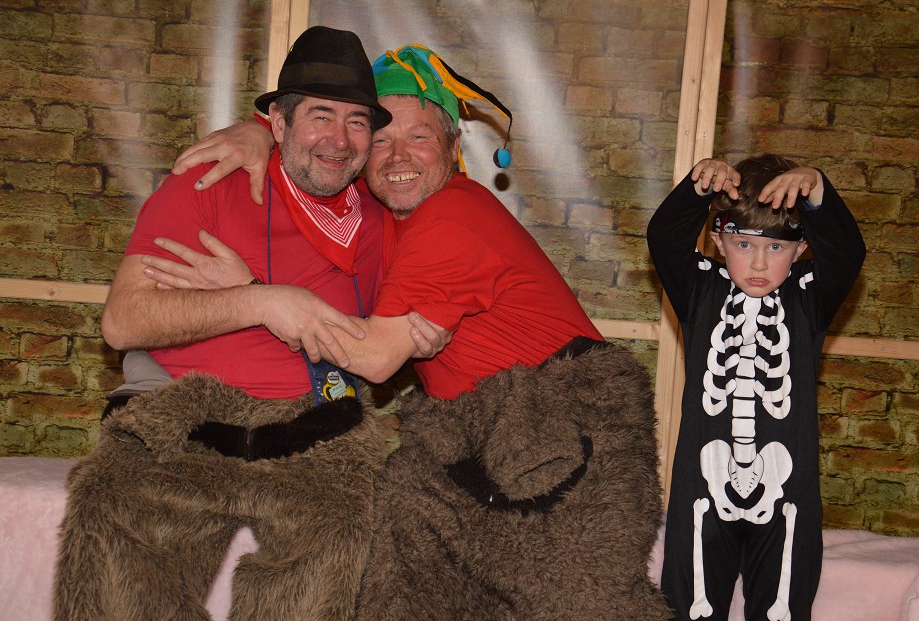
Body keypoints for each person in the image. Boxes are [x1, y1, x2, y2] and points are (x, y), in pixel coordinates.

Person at [152, 44, 670, 619]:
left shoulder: (452, 213)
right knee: (398, 580)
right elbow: (369, 335)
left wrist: (254, 296)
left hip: (561, 431)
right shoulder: (388, 221)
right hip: (463, 441)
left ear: (453, 146)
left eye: (419, 136)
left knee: (579, 606)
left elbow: (374, 359)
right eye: (381, 139)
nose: (398, 156)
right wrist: (259, 134)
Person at [55, 27, 442, 621]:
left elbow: (396, 339)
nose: (339, 140)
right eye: (319, 116)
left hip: (314, 425)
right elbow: (122, 321)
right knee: (116, 537)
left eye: (357, 122)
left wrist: (431, 329)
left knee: (335, 551)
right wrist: (261, 303)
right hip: (182, 412)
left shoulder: (384, 217)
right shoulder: (210, 180)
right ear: (278, 124)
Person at [647, 155, 865, 620]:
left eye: (776, 247)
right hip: (703, 491)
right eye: (744, 244)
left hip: (786, 496)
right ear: (718, 241)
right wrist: (697, 189)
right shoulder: (701, 289)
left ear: (801, 249)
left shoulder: (808, 297)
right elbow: (664, 239)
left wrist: (818, 189)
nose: (760, 262)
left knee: (781, 610)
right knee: (688, 609)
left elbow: (847, 252)